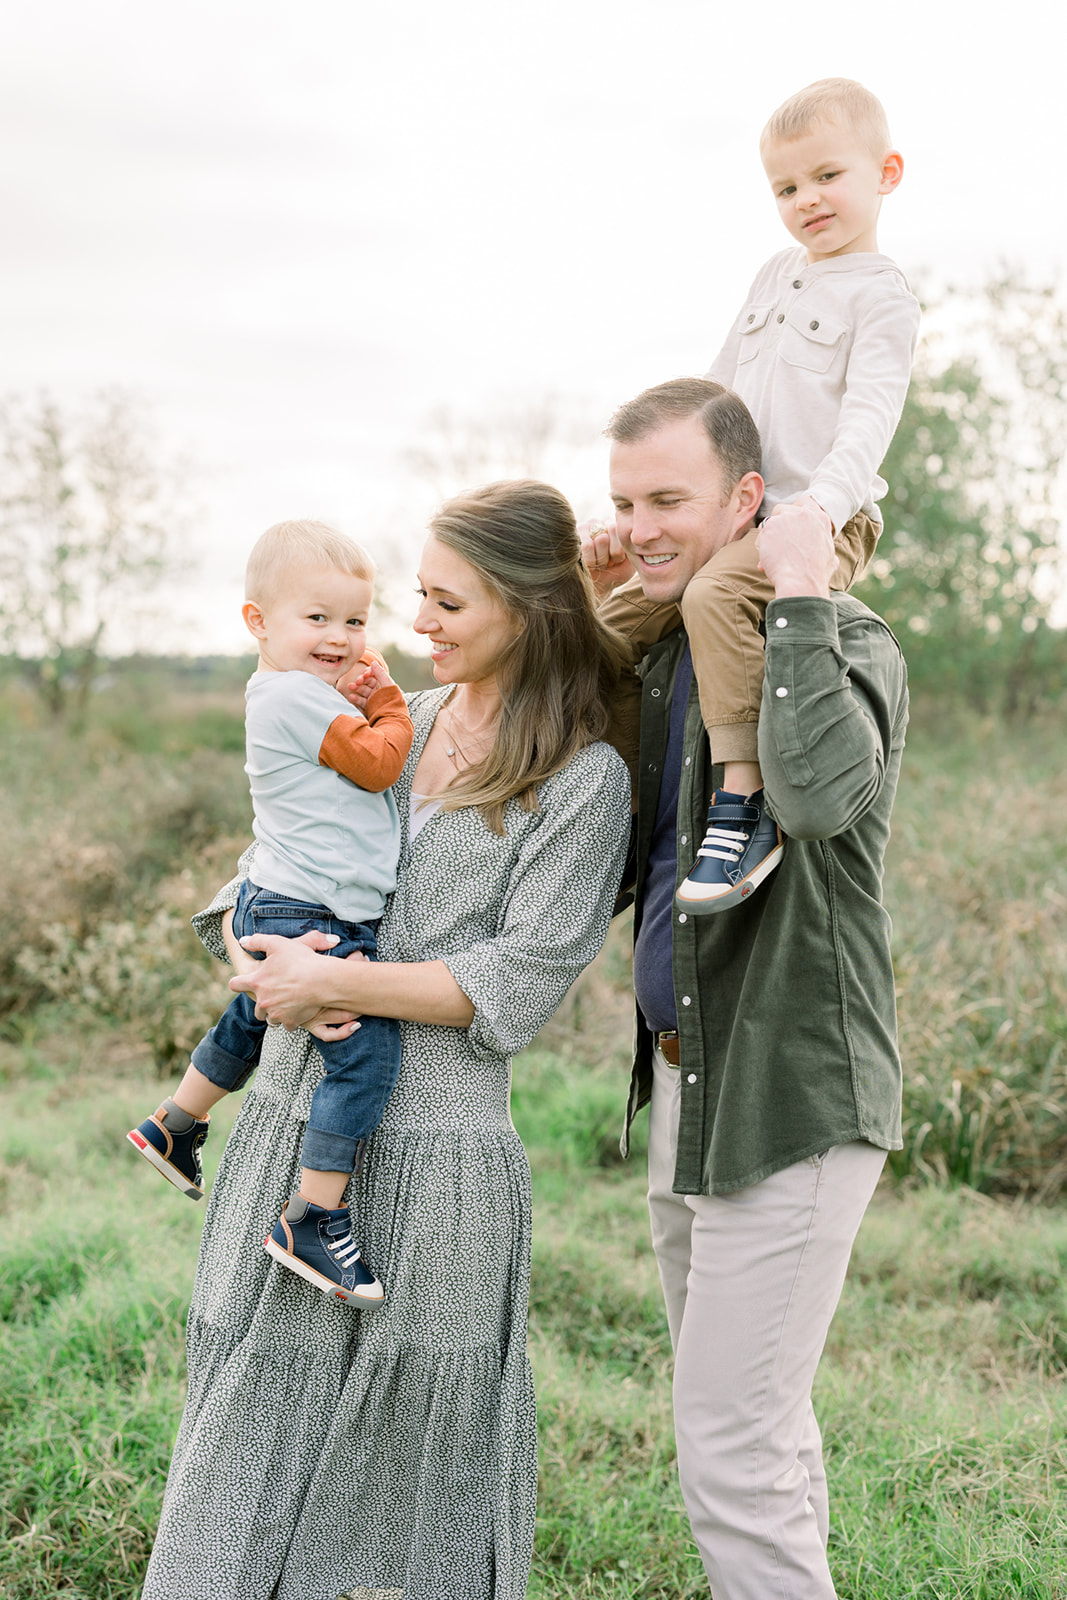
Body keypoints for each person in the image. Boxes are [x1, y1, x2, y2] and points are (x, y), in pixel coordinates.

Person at [140, 479, 632, 1600]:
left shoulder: (583, 782)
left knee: (410, 1462)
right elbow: (286, 853)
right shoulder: (393, 723)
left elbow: (518, 978)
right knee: (248, 1412)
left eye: (447, 602)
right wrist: (255, 955)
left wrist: (339, 978)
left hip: (441, 1147)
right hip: (289, 1118)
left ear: (528, 609)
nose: (417, 625)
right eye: (418, 596)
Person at [585, 377, 907, 1600]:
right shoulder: (673, 658)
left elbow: (820, 800)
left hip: (791, 1093)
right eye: (625, 499)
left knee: (727, 1446)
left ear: (748, 500)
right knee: (753, 1428)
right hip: (691, 1084)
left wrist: (808, 587)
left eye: (668, 498)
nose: (644, 523)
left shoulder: (844, 639)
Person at [602, 77, 920, 914]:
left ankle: (742, 802)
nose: (805, 200)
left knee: (712, 595)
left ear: (884, 173)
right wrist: (651, 491)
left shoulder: (881, 296)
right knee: (607, 629)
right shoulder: (776, 274)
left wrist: (818, 508)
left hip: (818, 521)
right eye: (785, 187)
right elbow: (717, 392)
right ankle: (626, 811)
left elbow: (867, 419)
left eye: (826, 176)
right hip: (733, 511)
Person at [127, 519, 414, 1309]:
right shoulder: (292, 696)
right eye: (315, 618)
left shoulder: (292, 692)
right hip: (309, 904)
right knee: (364, 1051)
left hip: (285, 893)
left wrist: (349, 693)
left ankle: (174, 1124)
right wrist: (386, 697)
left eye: (355, 621)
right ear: (258, 622)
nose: (340, 636)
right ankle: (313, 1215)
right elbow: (380, 760)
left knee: (253, 1020)